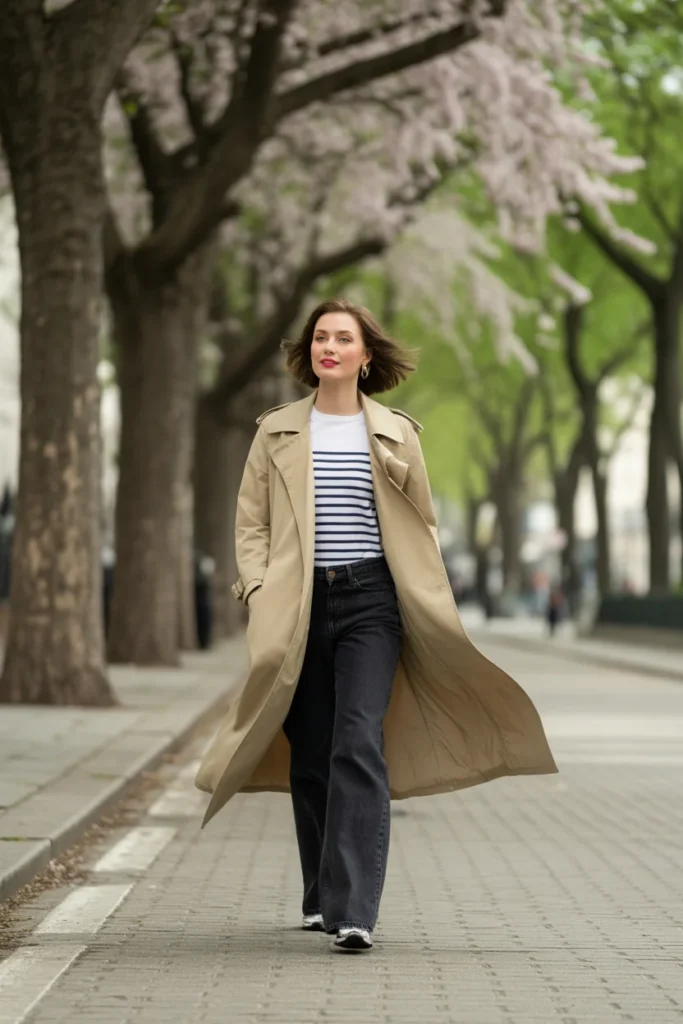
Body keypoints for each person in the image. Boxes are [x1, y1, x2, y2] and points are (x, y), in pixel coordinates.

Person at [195, 298, 557, 954]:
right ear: (309, 354)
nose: (328, 347)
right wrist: (255, 587)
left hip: (371, 603)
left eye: (342, 338)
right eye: (319, 338)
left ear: (365, 357)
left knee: (355, 741)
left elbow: (420, 525)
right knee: (309, 753)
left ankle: (354, 908)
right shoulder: (275, 430)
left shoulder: (395, 432)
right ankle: (319, 890)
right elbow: (250, 522)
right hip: (297, 605)